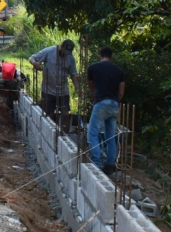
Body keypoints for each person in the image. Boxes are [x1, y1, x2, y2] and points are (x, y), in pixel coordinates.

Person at [86, 46, 125, 175]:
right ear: (111, 57)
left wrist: (95, 99)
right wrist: (115, 101)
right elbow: (121, 92)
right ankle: (110, 164)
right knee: (110, 137)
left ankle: (97, 163)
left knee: (92, 133)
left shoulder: (93, 68)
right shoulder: (119, 71)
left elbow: (92, 87)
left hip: (101, 103)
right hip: (114, 104)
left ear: (100, 55)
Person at [29, 40, 82, 133]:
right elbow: (32, 58)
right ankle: (49, 134)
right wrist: (35, 63)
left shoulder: (70, 58)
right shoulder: (49, 51)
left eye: (68, 53)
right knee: (48, 115)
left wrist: (78, 88)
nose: (65, 54)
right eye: (65, 52)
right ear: (61, 46)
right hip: (48, 90)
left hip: (63, 91)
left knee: (65, 113)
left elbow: (73, 75)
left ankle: (64, 136)